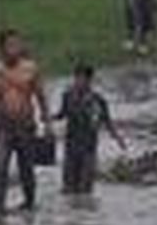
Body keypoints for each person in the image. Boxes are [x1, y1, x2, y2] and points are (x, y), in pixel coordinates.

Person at [0, 30, 52, 213]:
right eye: (9, 45)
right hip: (3, 127)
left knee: (26, 169)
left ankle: (29, 204)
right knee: (0, 166)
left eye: (17, 44)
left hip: (25, 126)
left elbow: (41, 98)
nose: (13, 49)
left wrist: (48, 125)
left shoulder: (31, 69)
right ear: (1, 49)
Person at [53, 64, 126, 195]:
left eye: (83, 79)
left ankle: (85, 211)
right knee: (68, 186)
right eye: (77, 78)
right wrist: (49, 118)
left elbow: (107, 121)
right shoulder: (67, 96)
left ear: (89, 80)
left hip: (88, 148)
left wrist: (117, 138)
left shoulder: (98, 100)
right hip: (71, 146)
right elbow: (62, 114)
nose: (79, 82)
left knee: (85, 187)